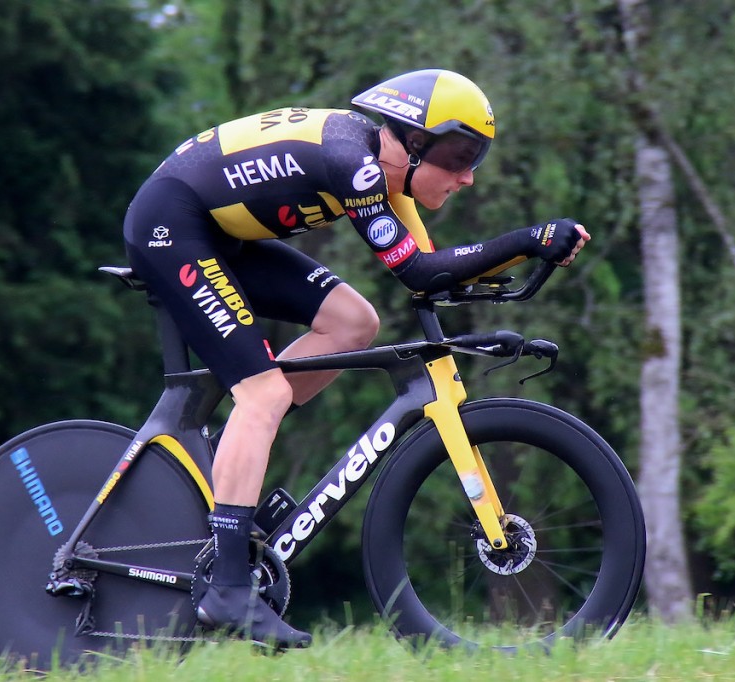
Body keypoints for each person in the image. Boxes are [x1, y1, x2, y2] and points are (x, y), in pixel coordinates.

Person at [123, 68, 589, 648]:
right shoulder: (358, 167)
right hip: (172, 226)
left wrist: (524, 255)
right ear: (411, 142)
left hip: (219, 234)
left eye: (477, 157)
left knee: (353, 323)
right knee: (262, 393)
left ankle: (235, 457)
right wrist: (527, 239)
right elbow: (420, 272)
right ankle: (227, 588)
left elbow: (431, 267)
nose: (468, 176)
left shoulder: (385, 171)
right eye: (460, 154)